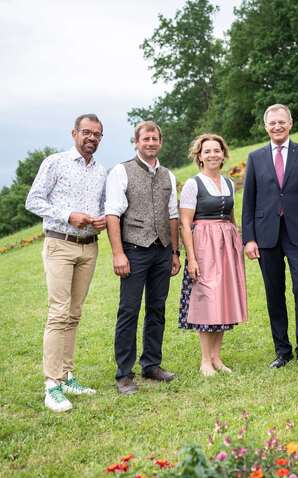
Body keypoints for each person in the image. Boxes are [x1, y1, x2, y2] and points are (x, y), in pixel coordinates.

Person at [25, 113, 107, 413]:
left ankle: (68, 375)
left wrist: (98, 221)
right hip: (60, 243)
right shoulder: (54, 162)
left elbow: (100, 207)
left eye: (97, 134)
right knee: (58, 313)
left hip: (89, 248)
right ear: (74, 133)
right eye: (87, 132)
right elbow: (33, 200)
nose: (92, 138)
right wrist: (67, 214)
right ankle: (51, 384)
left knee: (74, 314)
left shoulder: (101, 171)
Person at [242, 104, 298, 370]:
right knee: (273, 292)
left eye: (281, 122)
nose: (277, 126)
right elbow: (249, 201)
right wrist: (249, 238)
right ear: (266, 127)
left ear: (290, 124)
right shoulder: (255, 158)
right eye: (272, 123)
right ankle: (282, 350)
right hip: (267, 236)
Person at [105, 120, 181, 395]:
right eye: (145, 139)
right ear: (136, 142)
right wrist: (118, 253)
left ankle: (151, 364)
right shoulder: (120, 171)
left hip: (162, 251)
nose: (151, 143)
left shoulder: (168, 176)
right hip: (134, 251)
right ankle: (124, 374)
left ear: (160, 142)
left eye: (155, 139)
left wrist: (174, 251)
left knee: (157, 309)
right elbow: (112, 214)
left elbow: (172, 215)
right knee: (129, 311)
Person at [178, 134, 248, 376]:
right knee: (207, 299)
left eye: (217, 150)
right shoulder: (193, 184)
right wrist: (193, 258)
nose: (213, 155)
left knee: (223, 299)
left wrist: (237, 242)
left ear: (223, 153)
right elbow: (185, 224)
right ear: (199, 156)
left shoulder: (228, 183)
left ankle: (217, 357)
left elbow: (231, 216)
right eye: (207, 151)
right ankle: (205, 360)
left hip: (226, 245)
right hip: (204, 244)